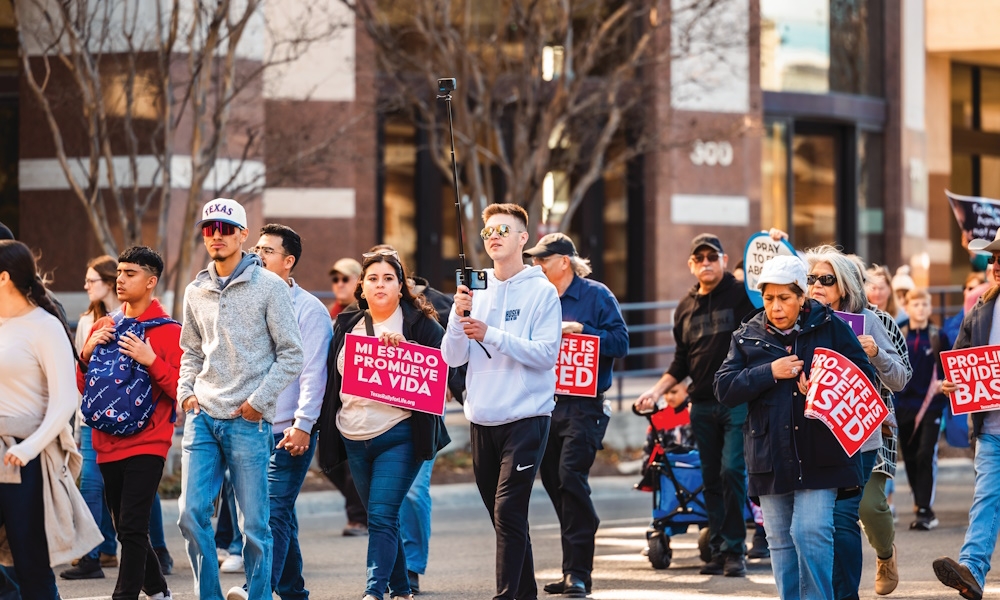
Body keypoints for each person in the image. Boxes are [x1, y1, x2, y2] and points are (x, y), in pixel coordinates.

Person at [715, 255, 878, 600]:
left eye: (784, 298)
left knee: (811, 531)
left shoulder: (832, 326)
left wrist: (825, 381)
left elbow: (865, 376)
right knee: (779, 539)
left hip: (822, 453)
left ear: (802, 296)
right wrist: (769, 372)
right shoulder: (747, 335)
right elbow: (724, 388)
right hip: (769, 454)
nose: (775, 306)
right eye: (769, 298)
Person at [175, 198, 304, 600]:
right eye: (209, 228)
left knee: (254, 527)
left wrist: (257, 402)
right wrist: (185, 393)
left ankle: (261, 596)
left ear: (243, 235)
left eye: (225, 228)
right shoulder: (195, 290)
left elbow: (292, 354)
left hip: (248, 422)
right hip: (203, 415)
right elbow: (191, 351)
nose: (216, 235)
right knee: (190, 515)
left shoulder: (270, 287)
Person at [440, 203, 562, 600]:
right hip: (482, 418)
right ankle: (523, 594)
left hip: (527, 417)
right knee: (504, 519)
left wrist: (490, 333)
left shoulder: (541, 290)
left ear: (523, 239)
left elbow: (546, 354)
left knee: (509, 512)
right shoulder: (473, 288)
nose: (493, 236)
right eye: (487, 231)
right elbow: (451, 358)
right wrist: (459, 319)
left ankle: (505, 596)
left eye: (502, 230)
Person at [318, 249, 451, 600]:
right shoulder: (347, 323)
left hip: (400, 433)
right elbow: (330, 379)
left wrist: (407, 350)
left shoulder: (422, 325)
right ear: (362, 286)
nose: (380, 284)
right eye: (373, 278)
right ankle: (403, 590)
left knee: (379, 515)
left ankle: (374, 591)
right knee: (386, 518)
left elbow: (440, 374)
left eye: (388, 278)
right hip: (353, 434)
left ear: (400, 285)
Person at [636, 233, 756, 577]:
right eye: (699, 258)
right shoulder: (685, 307)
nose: (705, 263)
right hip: (701, 405)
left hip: (736, 401)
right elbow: (681, 362)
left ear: (723, 259)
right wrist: (657, 391)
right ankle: (718, 550)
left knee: (732, 470)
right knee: (711, 477)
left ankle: (736, 551)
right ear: (691, 265)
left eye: (712, 257)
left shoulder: (742, 296)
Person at [523, 233, 628, 597]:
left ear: (563, 261)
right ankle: (573, 566)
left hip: (584, 406)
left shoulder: (597, 295)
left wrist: (584, 331)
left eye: (542, 260)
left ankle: (578, 573)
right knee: (556, 484)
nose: (536, 265)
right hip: (545, 405)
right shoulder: (536, 297)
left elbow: (622, 342)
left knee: (570, 478)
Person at [805, 247, 911, 598]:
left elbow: (899, 379)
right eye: (811, 279)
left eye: (826, 279)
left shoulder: (870, 321)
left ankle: (885, 553)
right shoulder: (803, 321)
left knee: (866, 506)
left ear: (844, 286)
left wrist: (876, 354)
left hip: (871, 429)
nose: (816, 285)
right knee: (832, 519)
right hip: (823, 433)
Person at [0, 240, 103, 600]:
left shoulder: (44, 326)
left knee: (30, 563)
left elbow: (65, 400)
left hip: (27, 458)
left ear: (3, 278)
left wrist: (29, 448)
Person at [77, 246, 182, 600]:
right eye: (119, 272)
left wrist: (151, 359)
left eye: (130, 273)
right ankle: (158, 589)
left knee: (134, 526)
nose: (120, 279)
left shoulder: (169, 332)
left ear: (151, 281)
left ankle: (124, 596)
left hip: (149, 442)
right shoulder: (104, 325)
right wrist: (87, 353)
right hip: (106, 442)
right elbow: (85, 387)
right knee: (126, 529)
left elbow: (181, 389)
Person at [238, 224, 333, 600]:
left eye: (268, 250)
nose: (257, 255)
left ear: (288, 261)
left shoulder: (308, 310)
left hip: (288, 431)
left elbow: (313, 373)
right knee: (278, 514)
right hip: (248, 427)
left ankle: (255, 590)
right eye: (256, 248)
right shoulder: (245, 299)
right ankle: (294, 592)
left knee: (270, 511)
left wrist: (303, 424)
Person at [933, 229, 1000, 600]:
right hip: (990, 428)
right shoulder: (980, 309)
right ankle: (971, 570)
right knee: (986, 499)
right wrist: (950, 382)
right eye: (993, 258)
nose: (995, 265)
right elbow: (958, 362)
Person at [61, 255, 122, 580]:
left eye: (91, 281)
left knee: (119, 488)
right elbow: (81, 374)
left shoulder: (127, 319)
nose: (85, 286)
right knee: (93, 485)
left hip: (125, 418)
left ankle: (155, 552)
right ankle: (94, 554)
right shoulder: (87, 322)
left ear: (110, 282)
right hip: (92, 418)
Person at [895, 288, 948, 532]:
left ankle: (925, 509)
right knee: (911, 455)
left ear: (929, 308)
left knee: (926, 453)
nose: (920, 309)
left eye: (924, 305)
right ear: (908, 306)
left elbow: (949, 368)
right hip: (903, 405)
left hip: (932, 405)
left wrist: (943, 383)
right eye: (915, 305)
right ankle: (919, 502)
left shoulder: (939, 336)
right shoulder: (900, 333)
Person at [325, 256, 369, 537]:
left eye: (345, 279)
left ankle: (359, 518)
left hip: (356, 397)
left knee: (353, 461)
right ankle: (364, 505)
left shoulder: (361, 314)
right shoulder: (331, 313)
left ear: (358, 283)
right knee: (328, 462)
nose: (339, 284)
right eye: (335, 279)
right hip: (332, 396)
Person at [943, 272, 987, 348]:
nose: (965, 292)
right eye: (964, 288)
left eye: (971, 289)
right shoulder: (964, 311)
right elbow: (950, 334)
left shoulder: (987, 311)